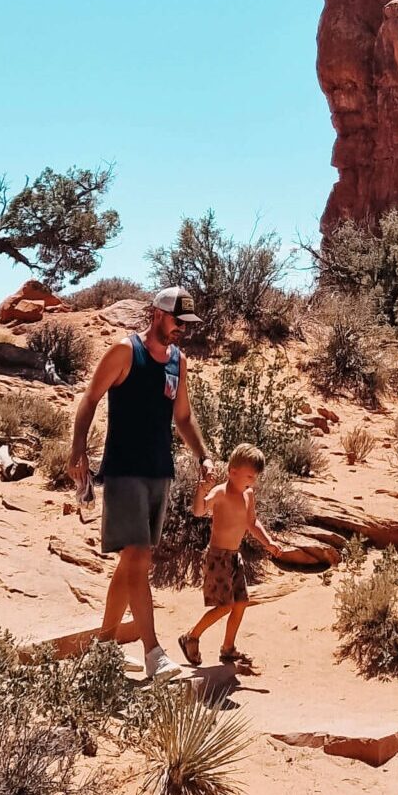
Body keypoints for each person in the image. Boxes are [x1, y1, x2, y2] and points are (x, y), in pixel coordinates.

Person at [68, 286, 213, 681]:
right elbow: (90, 399)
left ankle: (101, 651)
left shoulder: (177, 362)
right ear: (156, 314)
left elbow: (183, 417)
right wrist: (78, 449)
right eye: (177, 321)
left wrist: (203, 455)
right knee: (139, 559)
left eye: (186, 324)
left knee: (130, 563)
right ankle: (153, 652)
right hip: (125, 469)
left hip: (158, 471)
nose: (182, 329)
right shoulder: (124, 352)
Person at [178, 443, 287, 670]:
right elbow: (199, 511)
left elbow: (252, 522)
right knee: (224, 606)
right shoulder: (220, 492)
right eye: (248, 475)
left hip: (234, 556)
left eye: (255, 477)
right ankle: (191, 636)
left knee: (241, 603)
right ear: (232, 471)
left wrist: (268, 542)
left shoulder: (248, 495)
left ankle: (228, 648)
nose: (252, 481)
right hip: (218, 557)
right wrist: (201, 491)